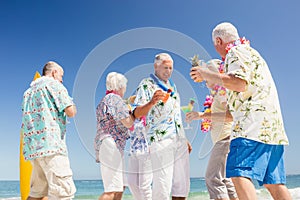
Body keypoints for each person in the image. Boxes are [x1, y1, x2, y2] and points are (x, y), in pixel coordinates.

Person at [190, 22, 291, 200]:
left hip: (250, 127)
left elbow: (239, 82)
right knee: (273, 183)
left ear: (218, 41)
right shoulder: (254, 54)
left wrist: (206, 74)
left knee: (237, 173)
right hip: (272, 128)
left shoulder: (234, 53)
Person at [133, 53, 191, 200]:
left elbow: (177, 116)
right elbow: (136, 113)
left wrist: (184, 138)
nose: (168, 71)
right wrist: (151, 102)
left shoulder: (173, 87)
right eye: (165, 67)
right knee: (163, 183)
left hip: (179, 140)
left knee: (181, 184)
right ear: (156, 66)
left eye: (171, 68)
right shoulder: (146, 84)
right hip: (160, 139)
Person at [21, 61, 77, 200]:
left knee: (37, 193)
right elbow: (71, 111)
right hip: (52, 146)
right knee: (64, 192)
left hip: (34, 149)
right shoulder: (54, 85)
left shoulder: (27, 93)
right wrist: (72, 104)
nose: (62, 79)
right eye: (61, 75)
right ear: (54, 73)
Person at [186, 59, 238, 200]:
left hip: (225, 138)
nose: (204, 79)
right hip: (223, 139)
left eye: (207, 75)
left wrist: (201, 115)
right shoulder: (217, 94)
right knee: (226, 180)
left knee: (212, 178)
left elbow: (230, 116)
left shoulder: (222, 92)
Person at [94, 72, 135, 200]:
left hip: (107, 145)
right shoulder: (115, 100)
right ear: (120, 86)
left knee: (120, 186)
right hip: (111, 144)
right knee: (111, 189)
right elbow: (128, 122)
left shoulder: (105, 100)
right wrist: (134, 114)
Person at [127, 96, 153, 200]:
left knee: (145, 186)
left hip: (146, 152)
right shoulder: (132, 116)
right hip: (133, 152)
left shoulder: (150, 116)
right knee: (132, 183)